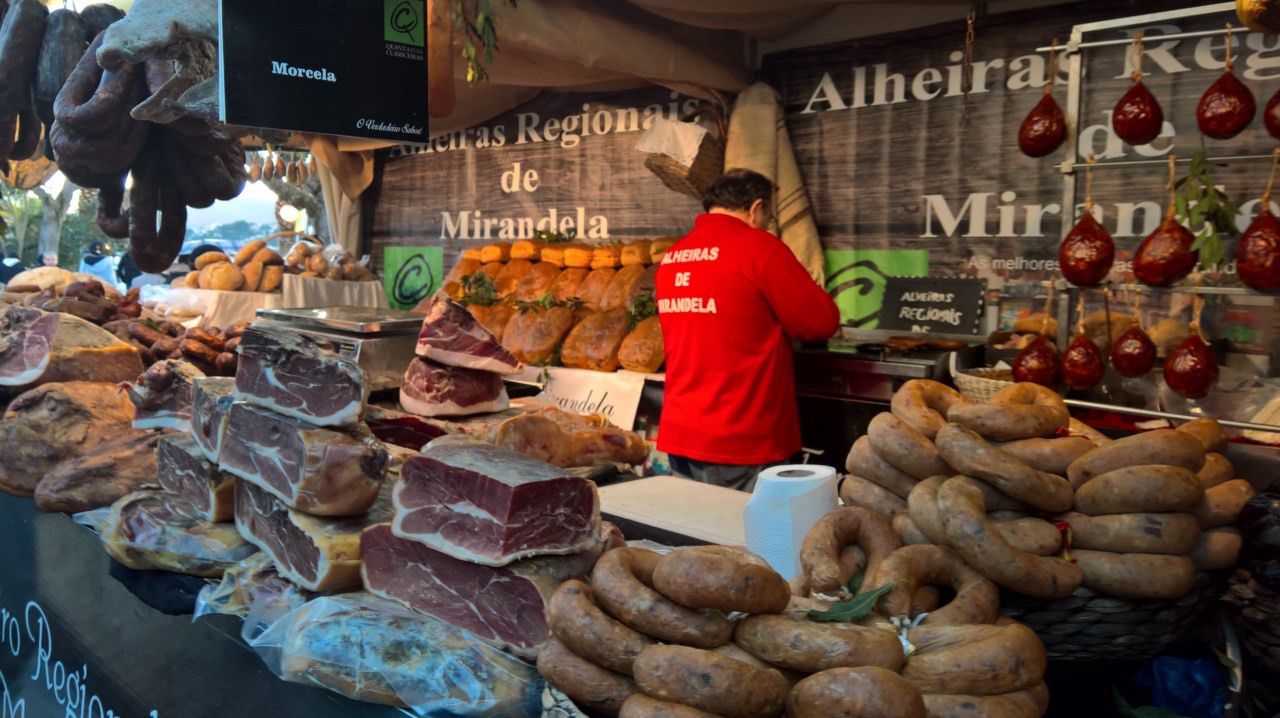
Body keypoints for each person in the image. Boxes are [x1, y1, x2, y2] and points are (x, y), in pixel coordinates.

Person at [654, 168, 840, 492]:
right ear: (756, 208)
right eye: (769, 214)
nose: (769, 223)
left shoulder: (673, 256)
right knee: (743, 541)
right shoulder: (760, 248)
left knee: (694, 538)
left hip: (680, 434)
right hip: (741, 438)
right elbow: (820, 322)